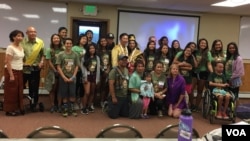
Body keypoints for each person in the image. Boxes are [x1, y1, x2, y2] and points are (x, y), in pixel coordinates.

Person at [21, 26, 45, 112]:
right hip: (23, 69)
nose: (33, 33)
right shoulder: (21, 42)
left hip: (35, 69)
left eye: (34, 32)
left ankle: (33, 104)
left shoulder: (40, 42)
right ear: (27, 33)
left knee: (34, 88)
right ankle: (18, 104)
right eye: (30, 32)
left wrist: (41, 62)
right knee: (20, 87)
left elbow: (43, 54)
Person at [56, 38, 79, 117]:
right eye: (67, 43)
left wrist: (73, 76)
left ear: (72, 45)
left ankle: (72, 108)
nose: (68, 45)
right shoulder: (61, 54)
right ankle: (65, 108)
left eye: (70, 43)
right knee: (64, 93)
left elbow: (76, 66)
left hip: (72, 76)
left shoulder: (75, 54)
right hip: (63, 77)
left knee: (72, 93)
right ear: (64, 44)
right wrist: (63, 77)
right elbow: (58, 67)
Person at [3, 30, 25, 116]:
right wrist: (11, 75)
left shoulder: (21, 47)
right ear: (13, 37)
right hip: (11, 71)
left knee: (18, 90)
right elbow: (7, 62)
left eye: (21, 36)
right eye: (18, 36)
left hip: (19, 71)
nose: (20, 37)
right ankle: (9, 110)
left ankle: (18, 107)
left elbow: (20, 59)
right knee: (11, 91)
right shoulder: (10, 47)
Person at [191, 38, 213, 112]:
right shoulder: (195, 52)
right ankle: (192, 105)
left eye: (204, 43)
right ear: (199, 44)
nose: (203, 44)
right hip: (194, 72)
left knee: (200, 91)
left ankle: (197, 106)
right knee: (191, 89)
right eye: (201, 43)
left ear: (206, 45)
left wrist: (212, 73)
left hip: (203, 73)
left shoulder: (208, 53)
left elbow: (209, 64)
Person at [44, 34, 64, 113]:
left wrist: (60, 71)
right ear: (52, 40)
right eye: (54, 38)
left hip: (62, 71)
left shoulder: (63, 49)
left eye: (57, 38)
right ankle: (53, 105)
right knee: (52, 89)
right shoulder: (49, 50)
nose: (56, 39)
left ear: (60, 39)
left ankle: (59, 105)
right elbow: (49, 61)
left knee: (60, 89)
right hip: (52, 72)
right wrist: (55, 71)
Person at [81, 43, 100, 114]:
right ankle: (83, 107)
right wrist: (84, 77)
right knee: (87, 92)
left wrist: (97, 79)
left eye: (93, 48)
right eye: (90, 48)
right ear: (88, 50)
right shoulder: (84, 57)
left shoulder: (97, 58)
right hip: (87, 76)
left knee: (92, 92)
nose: (92, 50)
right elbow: (83, 68)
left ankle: (89, 106)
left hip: (94, 76)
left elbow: (97, 69)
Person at [225, 42, 245, 108]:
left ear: (236, 48)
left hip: (234, 79)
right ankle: (228, 108)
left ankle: (234, 110)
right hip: (227, 78)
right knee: (228, 95)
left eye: (233, 48)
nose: (231, 49)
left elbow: (239, 71)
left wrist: (231, 78)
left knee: (234, 96)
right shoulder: (228, 57)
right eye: (230, 48)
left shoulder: (238, 58)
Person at [72, 34, 88, 109]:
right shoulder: (74, 48)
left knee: (82, 88)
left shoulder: (87, 48)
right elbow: (72, 58)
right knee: (75, 87)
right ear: (79, 39)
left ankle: (81, 102)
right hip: (77, 70)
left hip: (85, 71)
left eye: (85, 39)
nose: (84, 40)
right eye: (83, 38)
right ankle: (74, 103)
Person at [96, 37, 111, 108]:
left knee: (104, 87)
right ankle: (95, 102)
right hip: (99, 71)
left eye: (104, 41)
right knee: (98, 86)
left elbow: (110, 62)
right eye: (101, 41)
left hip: (107, 71)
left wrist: (107, 70)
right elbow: (97, 62)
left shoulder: (109, 51)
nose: (103, 42)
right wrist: (102, 70)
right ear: (99, 42)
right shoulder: (97, 51)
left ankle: (102, 101)